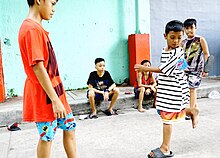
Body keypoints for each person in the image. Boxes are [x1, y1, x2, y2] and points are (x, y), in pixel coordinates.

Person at [18, 0, 76, 157]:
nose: (53, 9)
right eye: (52, 3)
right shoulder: (31, 29)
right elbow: (38, 67)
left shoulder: (36, 28)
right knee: (47, 137)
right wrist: (55, 101)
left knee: (70, 127)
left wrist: (59, 98)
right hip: (46, 96)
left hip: (56, 91)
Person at [134, 20, 199, 158]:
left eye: (179, 37)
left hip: (174, 89)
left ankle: (165, 148)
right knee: (167, 112)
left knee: (167, 119)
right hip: (168, 88)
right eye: (172, 37)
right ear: (165, 36)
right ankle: (191, 111)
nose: (176, 41)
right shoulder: (168, 50)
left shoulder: (176, 52)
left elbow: (163, 69)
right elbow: (182, 66)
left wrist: (144, 68)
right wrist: (181, 72)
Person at [182, 18, 211, 111]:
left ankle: (191, 110)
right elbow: (180, 57)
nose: (189, 30)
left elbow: (207, 54)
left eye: (191, 27)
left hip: (197, 69)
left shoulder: (200, 39)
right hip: (185, 70)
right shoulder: (183, 42)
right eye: (187, 28)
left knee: (192, 89)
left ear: (196, 28)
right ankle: (195, 108)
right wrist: (181, 69)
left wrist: (206, 69)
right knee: (187, 90)